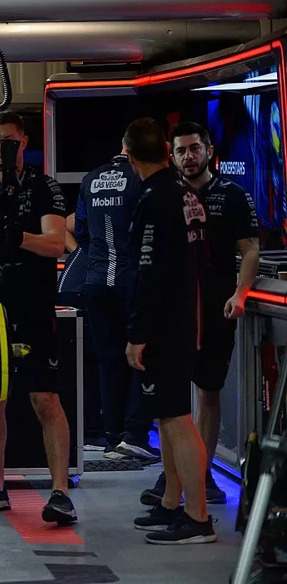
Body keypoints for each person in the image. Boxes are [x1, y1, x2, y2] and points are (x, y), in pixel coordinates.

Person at [0, 111, 76, 524]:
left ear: (23, 141)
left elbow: (57, 243)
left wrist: (19, 238)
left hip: (37, 305)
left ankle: (61, 492)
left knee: (45, 398)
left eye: (7, 140)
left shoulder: (45, 187)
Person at [140, 121, 259, 507]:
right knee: (170, 401)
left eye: (194, 149)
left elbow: (251, 249)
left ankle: (202, 475)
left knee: (207, 391)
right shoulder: (164, 196)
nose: (188, 157)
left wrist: (240, 294)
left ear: (208, 150)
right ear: (170, 156)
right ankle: (173, 477)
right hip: (174, 312)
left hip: (215, 308)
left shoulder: (233, 194)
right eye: (180, 151)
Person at [123, 117, 215, 545]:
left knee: (177, 419)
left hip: (167, 325)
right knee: (166, 415)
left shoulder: (156, 197)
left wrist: (138, 332)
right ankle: (171, 503)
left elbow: (150, 271)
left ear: (127, 154)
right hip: (188, 316)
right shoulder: (187, 193)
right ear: (165, 150)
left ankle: (198, 519)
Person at [74, 150, 156, 461]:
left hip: (96, 280)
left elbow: (81, 231)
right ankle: (134, 433)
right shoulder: (139, 178)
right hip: (131, 279)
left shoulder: (90, 178)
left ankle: (111, 435)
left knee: (108, 360)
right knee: (141, 355)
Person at [57, 214, 104, 451]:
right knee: (89, 362)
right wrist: (80, 252)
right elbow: (63, 225)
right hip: (82, 287)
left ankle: (87, 429)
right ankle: (89, 431)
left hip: (77, 282)